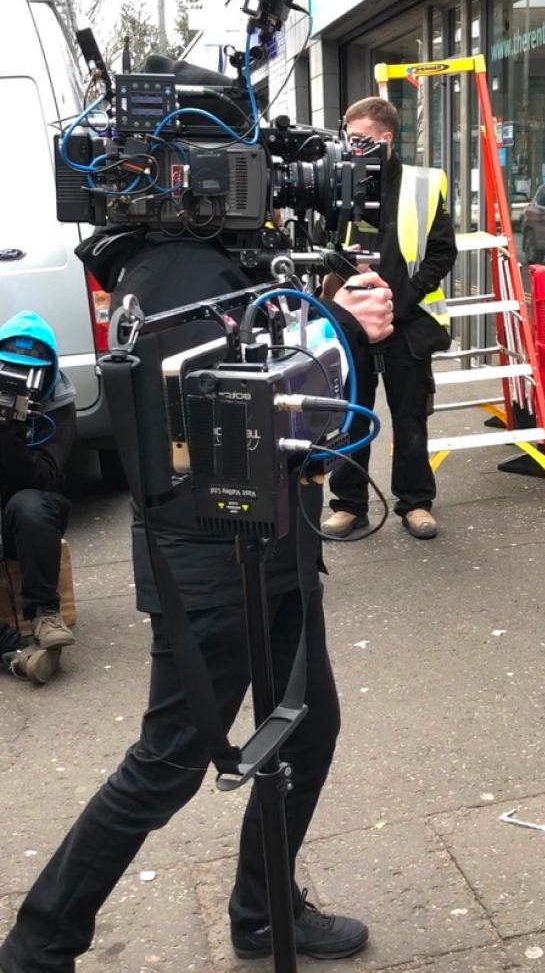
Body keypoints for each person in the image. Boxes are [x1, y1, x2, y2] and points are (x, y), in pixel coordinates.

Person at [0, 239, 395, 973]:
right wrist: (336, 329)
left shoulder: (204, 253)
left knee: (306, 731)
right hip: (213, 560)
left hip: (270, 539)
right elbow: (228, 417)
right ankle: (36, 947)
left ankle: (261, 914)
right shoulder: (177, 266)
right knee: (169, 760)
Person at [321, 96, 458, 540]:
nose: (351, 146)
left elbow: (441, 253)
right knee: (350, 416)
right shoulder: (337, 179)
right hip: (352, 323)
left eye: (360, 139)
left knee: (409, 417)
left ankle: (415, 503)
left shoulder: (423, 183)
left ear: (387, 139)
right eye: (347, 138)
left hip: (407, 323)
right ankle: (348, 506)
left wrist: (402, 301)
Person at [0, 311, 76, 686]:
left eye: (30, 374)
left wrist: (12, 432)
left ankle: (45, 615)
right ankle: (13, 650)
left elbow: (46, 478)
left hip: (31, 516)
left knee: (31, 503)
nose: (21, 383)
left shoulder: (59, 404)